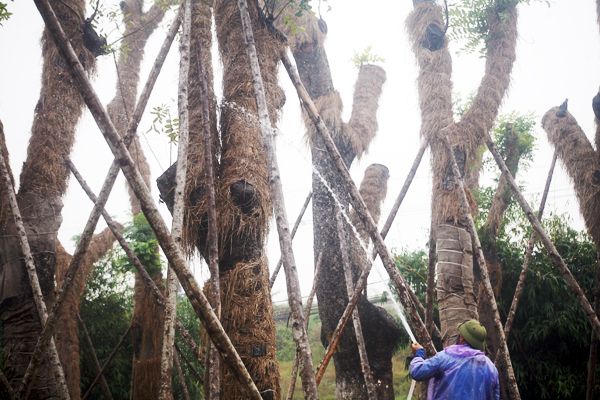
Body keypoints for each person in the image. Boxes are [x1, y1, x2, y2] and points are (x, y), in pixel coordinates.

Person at [409, 320, 499, 400]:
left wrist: (419, 354)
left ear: (463, 339)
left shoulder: (446, 357)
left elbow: (417, 372)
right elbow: (495, 396)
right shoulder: (491, 367)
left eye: (460, 335)